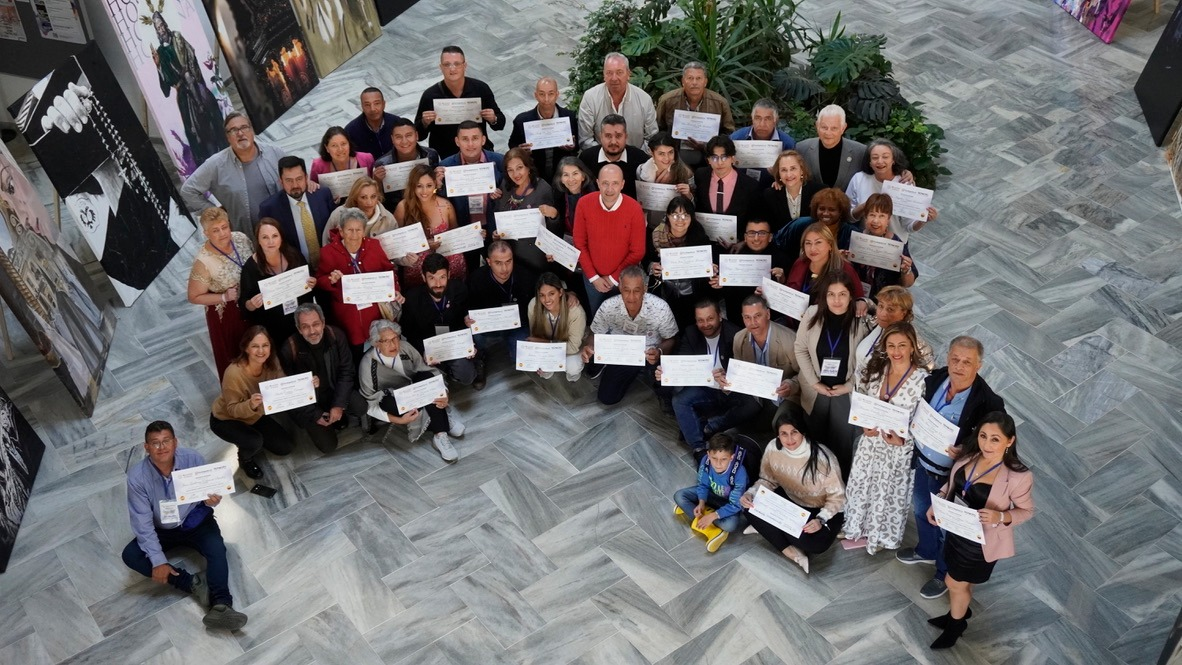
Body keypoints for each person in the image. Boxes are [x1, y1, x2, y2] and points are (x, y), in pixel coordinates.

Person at [897, 336, 1006, 601]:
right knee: (922, 510)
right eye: (955, 359)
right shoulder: (934, 379)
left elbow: (995, 446)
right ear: (948, 359)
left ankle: (943, 573)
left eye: (967, 362)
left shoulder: (988, 402)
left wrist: (968, 452)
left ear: (978, 365)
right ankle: (926, 550)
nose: (959, 366)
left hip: (950, 477)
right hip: (923, 462)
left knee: (947, 527)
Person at [121, 421, 248, 630]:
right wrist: (159, 561)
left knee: (217, 549)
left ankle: (223, 606)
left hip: (195, 520)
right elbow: (142, 523)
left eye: (166, 441)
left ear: (175, 442)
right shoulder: (137, 478)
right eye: (155, 443)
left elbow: (207, 492)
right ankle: (192, 584)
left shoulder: (193, 458)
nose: (162, 447)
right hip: (162, 529)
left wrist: (211, 500)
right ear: (146, 447)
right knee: (131, 556)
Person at [926, 412, 1034, 650]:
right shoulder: (971, 456)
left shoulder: (1018, 476)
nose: (986, 444)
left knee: (953, 583)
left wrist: (1001, 516)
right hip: (957, 530)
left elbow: (1026, 511)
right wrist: (940, 500)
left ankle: (955, 627)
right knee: (963, 584)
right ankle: (958, 613)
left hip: (980, 543)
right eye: (983, 436)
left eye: (995, 439)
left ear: (1010, 441)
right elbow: (953, 484)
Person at [841, 322, 929, 554]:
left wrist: (904, 440)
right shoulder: (877, 369)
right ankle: (857, 528)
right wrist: (863, 425)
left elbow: (924, 423)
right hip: (870, 445)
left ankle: (882, 536)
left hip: (897, 450)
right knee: (862, 486)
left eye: (902, 345)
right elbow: (862, 402)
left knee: (887, 494)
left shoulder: (923, 380)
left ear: (912, 347)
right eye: (891, 345)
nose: (896, 351)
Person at [740, 413, 846, 573]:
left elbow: (838, 497)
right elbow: (767, 480)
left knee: (816, 545)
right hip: (792, 501)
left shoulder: (824, 458)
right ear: (778, 435)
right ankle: (791, 552)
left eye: (794, 432)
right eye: (784, 434)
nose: (789, 439)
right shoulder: (772, 448)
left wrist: (820, 519)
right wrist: (751, 493)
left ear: (802, 432)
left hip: (820, 510)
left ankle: (767, 527)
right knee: (748, 505)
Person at [794, 271, 870, 478]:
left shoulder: (860, 319)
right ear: (824, 296)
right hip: (816, 388)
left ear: (851, 296)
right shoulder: (812, 314)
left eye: (842, 294)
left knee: (841, 442)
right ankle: (814, 478)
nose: (836, 300)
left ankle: (839, 481)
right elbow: (800, 348)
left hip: (844, 390)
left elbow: (867, 362)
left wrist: (849, 385)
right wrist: (813, 382)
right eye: (831, 294)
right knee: (815, 437)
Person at [358, 319, 465, 463]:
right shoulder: (367, 364)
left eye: (395, 338)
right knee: (386, 402)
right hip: (395, 399)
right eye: (386, 341)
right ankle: (440, 419)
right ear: (376, 343)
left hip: (415, 389)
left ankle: (440, 433)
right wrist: (399, 420)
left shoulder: (405, 348)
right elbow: (370, 405)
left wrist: (444, 392)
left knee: (426, 377)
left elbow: (428, 371)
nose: (393, 344)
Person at [658, 299, 751, 456]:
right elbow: (682, 362)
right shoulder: (690, 333)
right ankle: (698, 448)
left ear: (719, 316)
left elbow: (746, 368)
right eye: (700, 320)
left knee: (753, 405)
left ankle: (710, 426)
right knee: (679, 400)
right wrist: (666, 372)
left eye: (710, 318)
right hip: (705, 389)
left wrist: (729, 377)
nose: (706, 324)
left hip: (730, 389)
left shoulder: (736, 334)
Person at [209, 327, 300, 479]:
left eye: (265, 345)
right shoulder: (233, 373)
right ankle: (245, 458)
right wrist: (250, 404)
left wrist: (307, 385)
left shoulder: (272, 362)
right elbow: (232, 409)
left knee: (285, 447)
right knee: (254, 441)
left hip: (255, 415)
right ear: (246, 348)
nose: (261, 351)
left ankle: (248, 440)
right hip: (226, 419)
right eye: (255, 346)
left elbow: (283, 384)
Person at [581, 265, 678, 405]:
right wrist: (589, 346)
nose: (631, 297)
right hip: (623, 354)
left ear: (644, 288)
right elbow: (595, 332)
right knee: (607, 398)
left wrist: (659, 351)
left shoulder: (660, 307)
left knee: (666, 389)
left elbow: (671, 339)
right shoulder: (608, 306)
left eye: (636, 291)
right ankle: (608, 365)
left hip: (651, 353)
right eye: (626, 290)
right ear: (620, 287)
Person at [316, 208, 402, 365]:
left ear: (364, 231)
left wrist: (395, 290)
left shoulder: (374, 246)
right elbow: (320, 280)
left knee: (380, 347)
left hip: (375, 313)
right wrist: (332, 279)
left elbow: (389, 270)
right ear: (341, 231)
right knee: (355, 355)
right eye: (349, 230)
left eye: (358, 230)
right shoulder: (328, 252)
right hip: (348, 317)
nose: (354, 235)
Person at [278, 303, 368, 452]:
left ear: (323, 323)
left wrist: (338, 404)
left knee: (360, 407)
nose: (312, 331)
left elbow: (347, 371)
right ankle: (326, 419)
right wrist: (316, 414)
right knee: (328, 446)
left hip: (333, 391)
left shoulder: (336, 335)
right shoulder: (289, 350)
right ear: (299, 329)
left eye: (316, 324)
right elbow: (291, 394)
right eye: (305, 327)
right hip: (311, 404)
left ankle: (337, 414)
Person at [180, 113, 287, 235]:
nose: (240, 133)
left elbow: (295, 176)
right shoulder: (216, 164)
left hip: (285, 228)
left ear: (252, 130)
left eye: (244, 127)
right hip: (249, 236)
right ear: (228, 137)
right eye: (233, 130)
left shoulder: (275, 153)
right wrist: (216, 212)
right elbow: (188, 190)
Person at [714, 295, 800, 434]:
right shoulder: (739, 338)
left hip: (784, 396)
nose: (752, 322)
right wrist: (727, 380)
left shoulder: (790, 340)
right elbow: (740, 374)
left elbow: (805, 374)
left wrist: (791, 385)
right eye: (747, 317)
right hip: (755, 395)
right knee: (742, 420)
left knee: (776, 424)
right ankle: (712, 428)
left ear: (768, 314)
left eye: (757, 316)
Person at [149, 11, 224, 165]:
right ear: (156, 31)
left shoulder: (177, 37)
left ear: (165, 25)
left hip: (194, 83)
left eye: (162, 25)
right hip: (183, 91)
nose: (161, 29)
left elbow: (191, 55)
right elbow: (166, 87)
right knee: (193, 129)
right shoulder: (161, 52)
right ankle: (206, 162)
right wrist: (158, 66)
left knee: (212, 111)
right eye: (158, 28)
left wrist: (189, 73)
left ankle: (224, 146)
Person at [573, 164, 647, 317]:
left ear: (622, 184)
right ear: (598, 183)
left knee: (624, 319)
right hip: (592, 278)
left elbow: (638, 251)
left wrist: (614, 278)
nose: (609, 189)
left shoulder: (634, 208)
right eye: (605, 183)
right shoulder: (584, 203)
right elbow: (579, 243)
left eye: (615, 183)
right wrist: (594, 278)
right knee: (598, 319)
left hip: (624, 280)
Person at [188, 207, 252, 379]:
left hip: (252, 302)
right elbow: (194, 297)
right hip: (229, 315)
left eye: (225, 227)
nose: (223, 233)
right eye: (216, 230)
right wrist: (224, 297)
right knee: (237, 355)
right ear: (206, 233)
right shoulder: (203, 261)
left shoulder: (241, 239)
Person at [465, 240, 535, 386]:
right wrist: (467, 318)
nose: (505, 268)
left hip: (518, 325)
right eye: (498, 263)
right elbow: (468, 307)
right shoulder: (476, 278)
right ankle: (480, 357)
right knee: (473, 330)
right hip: (490, 326)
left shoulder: (525, 275)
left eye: (509, 261)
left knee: (523, 358)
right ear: (488, 262)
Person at [415, 45, 505, 158]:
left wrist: (493, 118)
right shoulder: (430, 95)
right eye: (447, 64)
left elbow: (500, 124)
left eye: (457, 64)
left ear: (465, 65)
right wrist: (424, 122)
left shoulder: (481, 89)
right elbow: (418, 135)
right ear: (440, 67)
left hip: (478, 152)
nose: (452, 69)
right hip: (445, 156)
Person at [402, 253, 478, 387]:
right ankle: (441, 372)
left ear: (449, 275)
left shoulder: (459, 289)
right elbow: (409, 332)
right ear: (423, 277)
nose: (438, 284)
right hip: (429, 348)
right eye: (432, 278)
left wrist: (467, 341)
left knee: (468, 377)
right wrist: (422, 350)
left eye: (442, 277)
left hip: (454, 343)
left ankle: (454, 370)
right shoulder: (412, 298)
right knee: (431, 384)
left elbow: (467, 315)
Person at [237, 217, 317, 344]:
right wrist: (251, 304)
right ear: (258, 239)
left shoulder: (294, 255)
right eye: (265, 237)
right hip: (273, 328)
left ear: (281, 237)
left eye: (274, 236)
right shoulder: (251, 267)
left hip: (300, 322)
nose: (270, 241)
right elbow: (243, 304)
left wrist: (312, 283)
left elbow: (310, 280)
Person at [438, 121, 503, 272]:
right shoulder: (446, 166)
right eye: (465, 139)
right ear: (457, 141)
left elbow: (511, 190)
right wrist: (438, 185)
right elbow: (442, 200)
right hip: (464, 228)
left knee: (496, 270)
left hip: (492, 227)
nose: (470, 144)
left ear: (483, 140)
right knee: (468, 271)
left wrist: (501, 194)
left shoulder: (499, 161)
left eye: (475, 138)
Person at [846, 138, 938, 242]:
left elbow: (909, 227)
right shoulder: (859, 179)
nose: (880, 161)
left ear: (893, 160)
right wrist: (864, 207)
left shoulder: (905, 184)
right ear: (869, 162)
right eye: (875, 157)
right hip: (866, 242)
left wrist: (923, 220)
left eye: (885, 157)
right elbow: (848, 216)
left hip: (894, 244)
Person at [673, 432, 749, 552]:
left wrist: (714, 515)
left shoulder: (739, 473)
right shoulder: (706, 461)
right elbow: (702, 484)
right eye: (714, 458)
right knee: (679, 496)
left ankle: (707, 521)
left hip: (728, 503)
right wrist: (701, 502)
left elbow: (736, 504)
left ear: (731, 457)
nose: (718, 464)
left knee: (730, 525)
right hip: (711, 495)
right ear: (708, 455)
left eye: (723, 459)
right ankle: (708, 520)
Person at [646, 197, 714, 329]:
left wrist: (711, 267)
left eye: (685, 215)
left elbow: (708, 263)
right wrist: (652, 266)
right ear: (668, 216)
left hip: (693, 292)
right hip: (666, 291)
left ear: (691, 218)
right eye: (675, 215)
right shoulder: (655, 235)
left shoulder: (699, 234)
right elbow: (645, 260)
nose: (680, 220)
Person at [257, 156, 335, 270]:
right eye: (289, 180)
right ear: (281, 181)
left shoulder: (323, 195)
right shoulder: (269, 209)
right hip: (296, 272)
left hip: (329, 267)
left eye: (299, 179)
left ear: (306, 177)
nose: (295, 185)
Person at [395, 164, 466, 288]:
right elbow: (396, 243)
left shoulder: (446, 205)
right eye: (419, 186)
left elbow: (456, 234)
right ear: (412, 186)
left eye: (429, 186)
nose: (424, 191)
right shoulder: (403, 207)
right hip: (418, 269)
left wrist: (475, 234)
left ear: (435, 184)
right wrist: (425, 245)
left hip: (449, 265)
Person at [710, 218, 790, 324]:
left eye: (762, 233)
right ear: (745, 237)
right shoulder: (732, 256)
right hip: (737, 319)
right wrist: (720, 284)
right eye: (752, 233)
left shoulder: (783, 259)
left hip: (770, 321)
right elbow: (725, 294)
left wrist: (782, 281)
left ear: (770, 237)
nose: (756, 238)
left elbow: (788, 300)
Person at [655, 62, 735, 167]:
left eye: (698, 78)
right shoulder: (667, 100)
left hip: (710, 159)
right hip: (674, 158)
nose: (694, 82)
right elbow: (658, 129)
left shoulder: (719, 102)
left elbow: (729, 133)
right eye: (690, 78)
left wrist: (708, 146)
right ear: (683, 81)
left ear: (705, 82)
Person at [492, 148, 559, 273]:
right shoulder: (505, 186)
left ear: (528, 167)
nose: (516, 174)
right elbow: (499, 213)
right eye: (510, 170)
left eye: (519, 167)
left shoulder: (543, 189)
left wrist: (553, 215)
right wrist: (497, 233)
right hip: (511, 256)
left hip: (535, 257)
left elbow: (553, 228)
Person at [577, 52, 657, 151]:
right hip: (600, 161)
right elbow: (585, 140)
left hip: (637, 162)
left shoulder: (644, 99)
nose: (614, 78)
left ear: (628, 74)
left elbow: (652, 139)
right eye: (609, 73)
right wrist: (607, 158)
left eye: (619, 72)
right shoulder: (590, 98)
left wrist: (636, 158)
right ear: (604, 75)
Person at [508, 77, 579, 182]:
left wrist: (572, 146)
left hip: (562, 174)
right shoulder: (522, 121)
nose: (546, 99)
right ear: (536, 95)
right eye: (542, 94)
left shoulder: (569, 117)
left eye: (551, 94)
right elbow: (512, 147)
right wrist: (521, 151)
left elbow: (577, 146)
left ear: (557, 95)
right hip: (534, 175)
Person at [854, 286, 934, 376]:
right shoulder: (876, 322)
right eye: (881, 306)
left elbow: (927, 370)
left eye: (890, 309)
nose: (883, 313)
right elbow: (870, 306)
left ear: (904, 313)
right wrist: (863, 301)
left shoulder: (914, 341)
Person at [850, 193, 917, 298]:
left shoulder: (896, 244)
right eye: (872, 215)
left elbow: (908, 284)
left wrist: (906, 270)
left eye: (882, 216)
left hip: (885, 300)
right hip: (856, 295)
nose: (876, 221)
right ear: (866, 217)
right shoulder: (857, 239)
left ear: (888, 219)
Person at [785, 223, 866, 307]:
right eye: (808, 243)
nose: (812, 248)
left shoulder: (845, 269)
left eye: (818, 242)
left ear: (830, 245)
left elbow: (859, 299)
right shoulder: (800, 263)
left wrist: (861, 302)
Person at [526, 272, 587, 381]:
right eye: (542, 295)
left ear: (560, 292)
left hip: (570, 348)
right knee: (541, 367)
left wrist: (546, 344)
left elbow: (573, 347)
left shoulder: (576, 312)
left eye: (551, 293)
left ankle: (573, 372)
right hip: (549, 346)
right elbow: (534, 336)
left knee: (572, 366)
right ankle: (549, 367)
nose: (547, 300)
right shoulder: (533, 305)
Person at [794, 105, 868, 191]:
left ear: (843, 128)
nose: (828, 133)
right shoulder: (802, 148)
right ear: (817, 126)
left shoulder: (860, 152)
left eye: (834, 128)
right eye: (824, 127)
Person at [372, 117, 441, 209]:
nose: (404, 141)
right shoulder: (382, 164)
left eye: (409, 135)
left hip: (429, 206)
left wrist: (438, 180)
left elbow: (436, 190)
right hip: (398, 212)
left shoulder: (431, 155)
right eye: (398, 137)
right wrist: (377, 181)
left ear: (416, 136)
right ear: (392, 139)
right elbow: (380, 201)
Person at [693, 135, 761, 223]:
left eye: (724, 157)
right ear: (708, 160)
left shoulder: (750, 185)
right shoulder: (700, 176)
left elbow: (754, 218)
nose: (719, 163)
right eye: (714, 158)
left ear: (732, 159)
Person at [577, 115, 648, 198]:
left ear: (626, 137)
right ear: (601, 137)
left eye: (618, 136)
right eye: (608, 136)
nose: (613, 141)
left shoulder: (640, 158)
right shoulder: (586, 158)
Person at [775, 187, 858, 258]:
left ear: (841, 212)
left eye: (831, 210)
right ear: (815, 209)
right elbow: (779, 244)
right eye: (822, 209)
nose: (825, 213)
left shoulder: (852, 233)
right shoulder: (801, 224)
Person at [636, 132, 694, 229]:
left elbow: (693, 207)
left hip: (675, 227)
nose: (667, 158)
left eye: (670, 152)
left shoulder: (685, 172)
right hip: (649, 225)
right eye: (661, 154)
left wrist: (689, 195)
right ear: (651, 152)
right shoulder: (641, 171)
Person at [321, 176, 398, 244]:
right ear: (355, 198)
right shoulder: (338, 214)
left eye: (373, 196)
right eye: (363, 197)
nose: (369, 202)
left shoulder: (389, 219)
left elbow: (395, 248)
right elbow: (326, 244)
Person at [761, 150, 822, 234]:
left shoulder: (819, 191)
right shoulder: (770, 195)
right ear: (779, 174)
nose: (789, 175)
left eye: (793, 168)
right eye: (783, 170)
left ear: (802, 170)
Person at [309, 126, 375, 192]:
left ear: (349, 144)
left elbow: (375, 186)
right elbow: (315, 192)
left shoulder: (367, 159)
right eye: (334, 145)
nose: (340, 149)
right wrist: (311, 185)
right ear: (327, 148)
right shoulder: (318, 165)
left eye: (343, 144)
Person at [345, 87, 404, 158]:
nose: (372, 109)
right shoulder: (350, 131)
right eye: (367, 105)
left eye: (376, 103)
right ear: (362, 107)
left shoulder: (397, 123)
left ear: (383, 104)